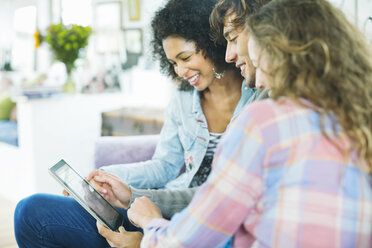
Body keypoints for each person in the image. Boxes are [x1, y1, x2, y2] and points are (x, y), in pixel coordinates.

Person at [107, 0, 372, 247]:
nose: (231, 53)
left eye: (234, 38)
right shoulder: (354, 120)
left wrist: (150, 226)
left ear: (271, 42)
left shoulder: (262, 121)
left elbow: (185, 240)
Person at [14, 0, 257, 247]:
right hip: (156, 210)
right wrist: (108, 178)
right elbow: (164, 165)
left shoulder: (258, 95)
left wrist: (135, 200)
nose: (180, 72)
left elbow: (221, 197)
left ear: (212, 43)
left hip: (187, 221)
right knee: (32, 211)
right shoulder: (183, 97)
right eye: (173, 63)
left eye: (185, 58)